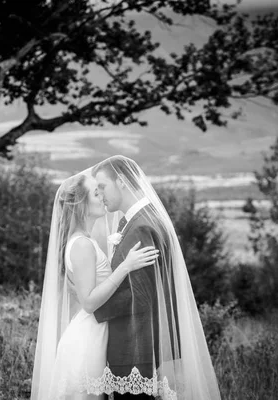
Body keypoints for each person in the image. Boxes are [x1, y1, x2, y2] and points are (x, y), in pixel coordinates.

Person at [90, 155, 221, 400]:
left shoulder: (141, 226)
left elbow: (140, 297)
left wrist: (92, 304)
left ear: (121, 182)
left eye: (102, 186)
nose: (99, 194)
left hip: (134, 347)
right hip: (139, 344)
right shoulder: (141, 219)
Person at [31, 170, 160, 400]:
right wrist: (125, 266)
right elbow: (89, 302)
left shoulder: (85, 240)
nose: (102, 196)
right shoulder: (82, 244)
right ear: (81, 203)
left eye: (101, 190)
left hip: (97, 334)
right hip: (87, 339)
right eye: (95, 192)